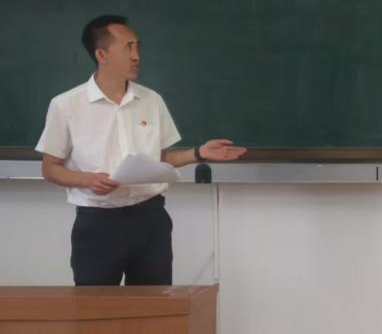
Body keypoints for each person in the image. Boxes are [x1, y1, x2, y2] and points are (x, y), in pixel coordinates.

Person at [35, 14, 246, 286]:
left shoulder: (151, 100)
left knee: (153, 305)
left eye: (137, 47)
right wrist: (86, 179)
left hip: (150, 220)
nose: (136, 56)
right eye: (128, 48)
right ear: (101, 54)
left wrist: (198, 153)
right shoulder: (66, 105)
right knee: (95, 307)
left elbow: (160, 158)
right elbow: (50, 167)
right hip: (97, 224)